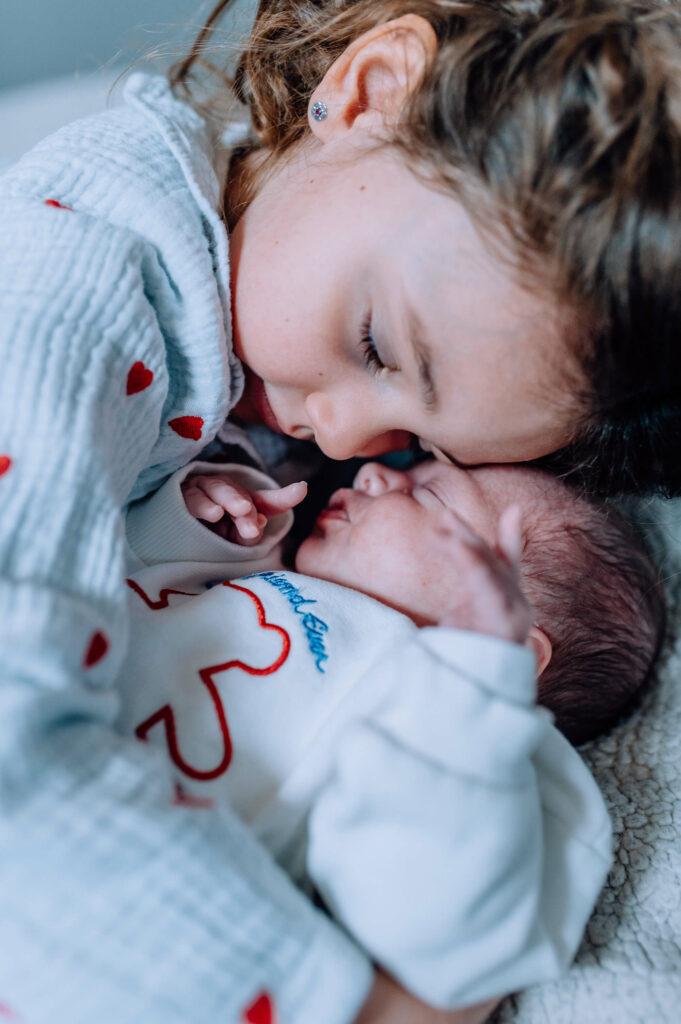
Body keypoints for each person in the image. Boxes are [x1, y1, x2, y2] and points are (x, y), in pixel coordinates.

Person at [1, 0, 680, 1020]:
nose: (348, 445)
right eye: (375, 346)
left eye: (428, 449)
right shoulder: (78, 277)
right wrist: (359, 1006)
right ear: (367, 93)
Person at [117, 452, 663, 1011]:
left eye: (429, 495)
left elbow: (422, 912)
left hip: (136, 861)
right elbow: (114, 580)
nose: (374, 471)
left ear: (509, 651)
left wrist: (472, 690)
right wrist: (193, 531)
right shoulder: (266, 571)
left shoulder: (445, 734)